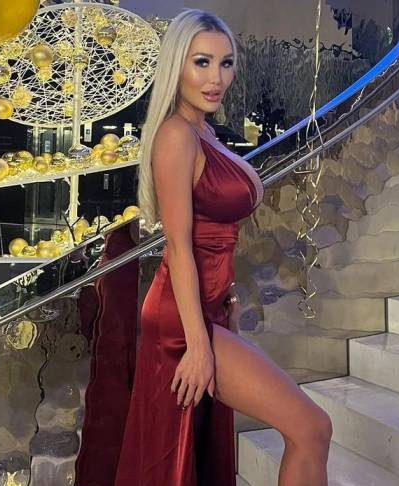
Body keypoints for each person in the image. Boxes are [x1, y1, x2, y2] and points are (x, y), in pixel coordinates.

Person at [114, 8, 332, 486]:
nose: (216, 78)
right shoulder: (176, 135)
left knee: (303, 432)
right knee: (312, 428)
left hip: (205, 309)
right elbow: (179, 247)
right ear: (177, 66)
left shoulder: (203, 131)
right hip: (179, 319)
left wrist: (223, 296)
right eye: (202, 62)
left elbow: (211, 237)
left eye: (226, 63)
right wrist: (197, 343)